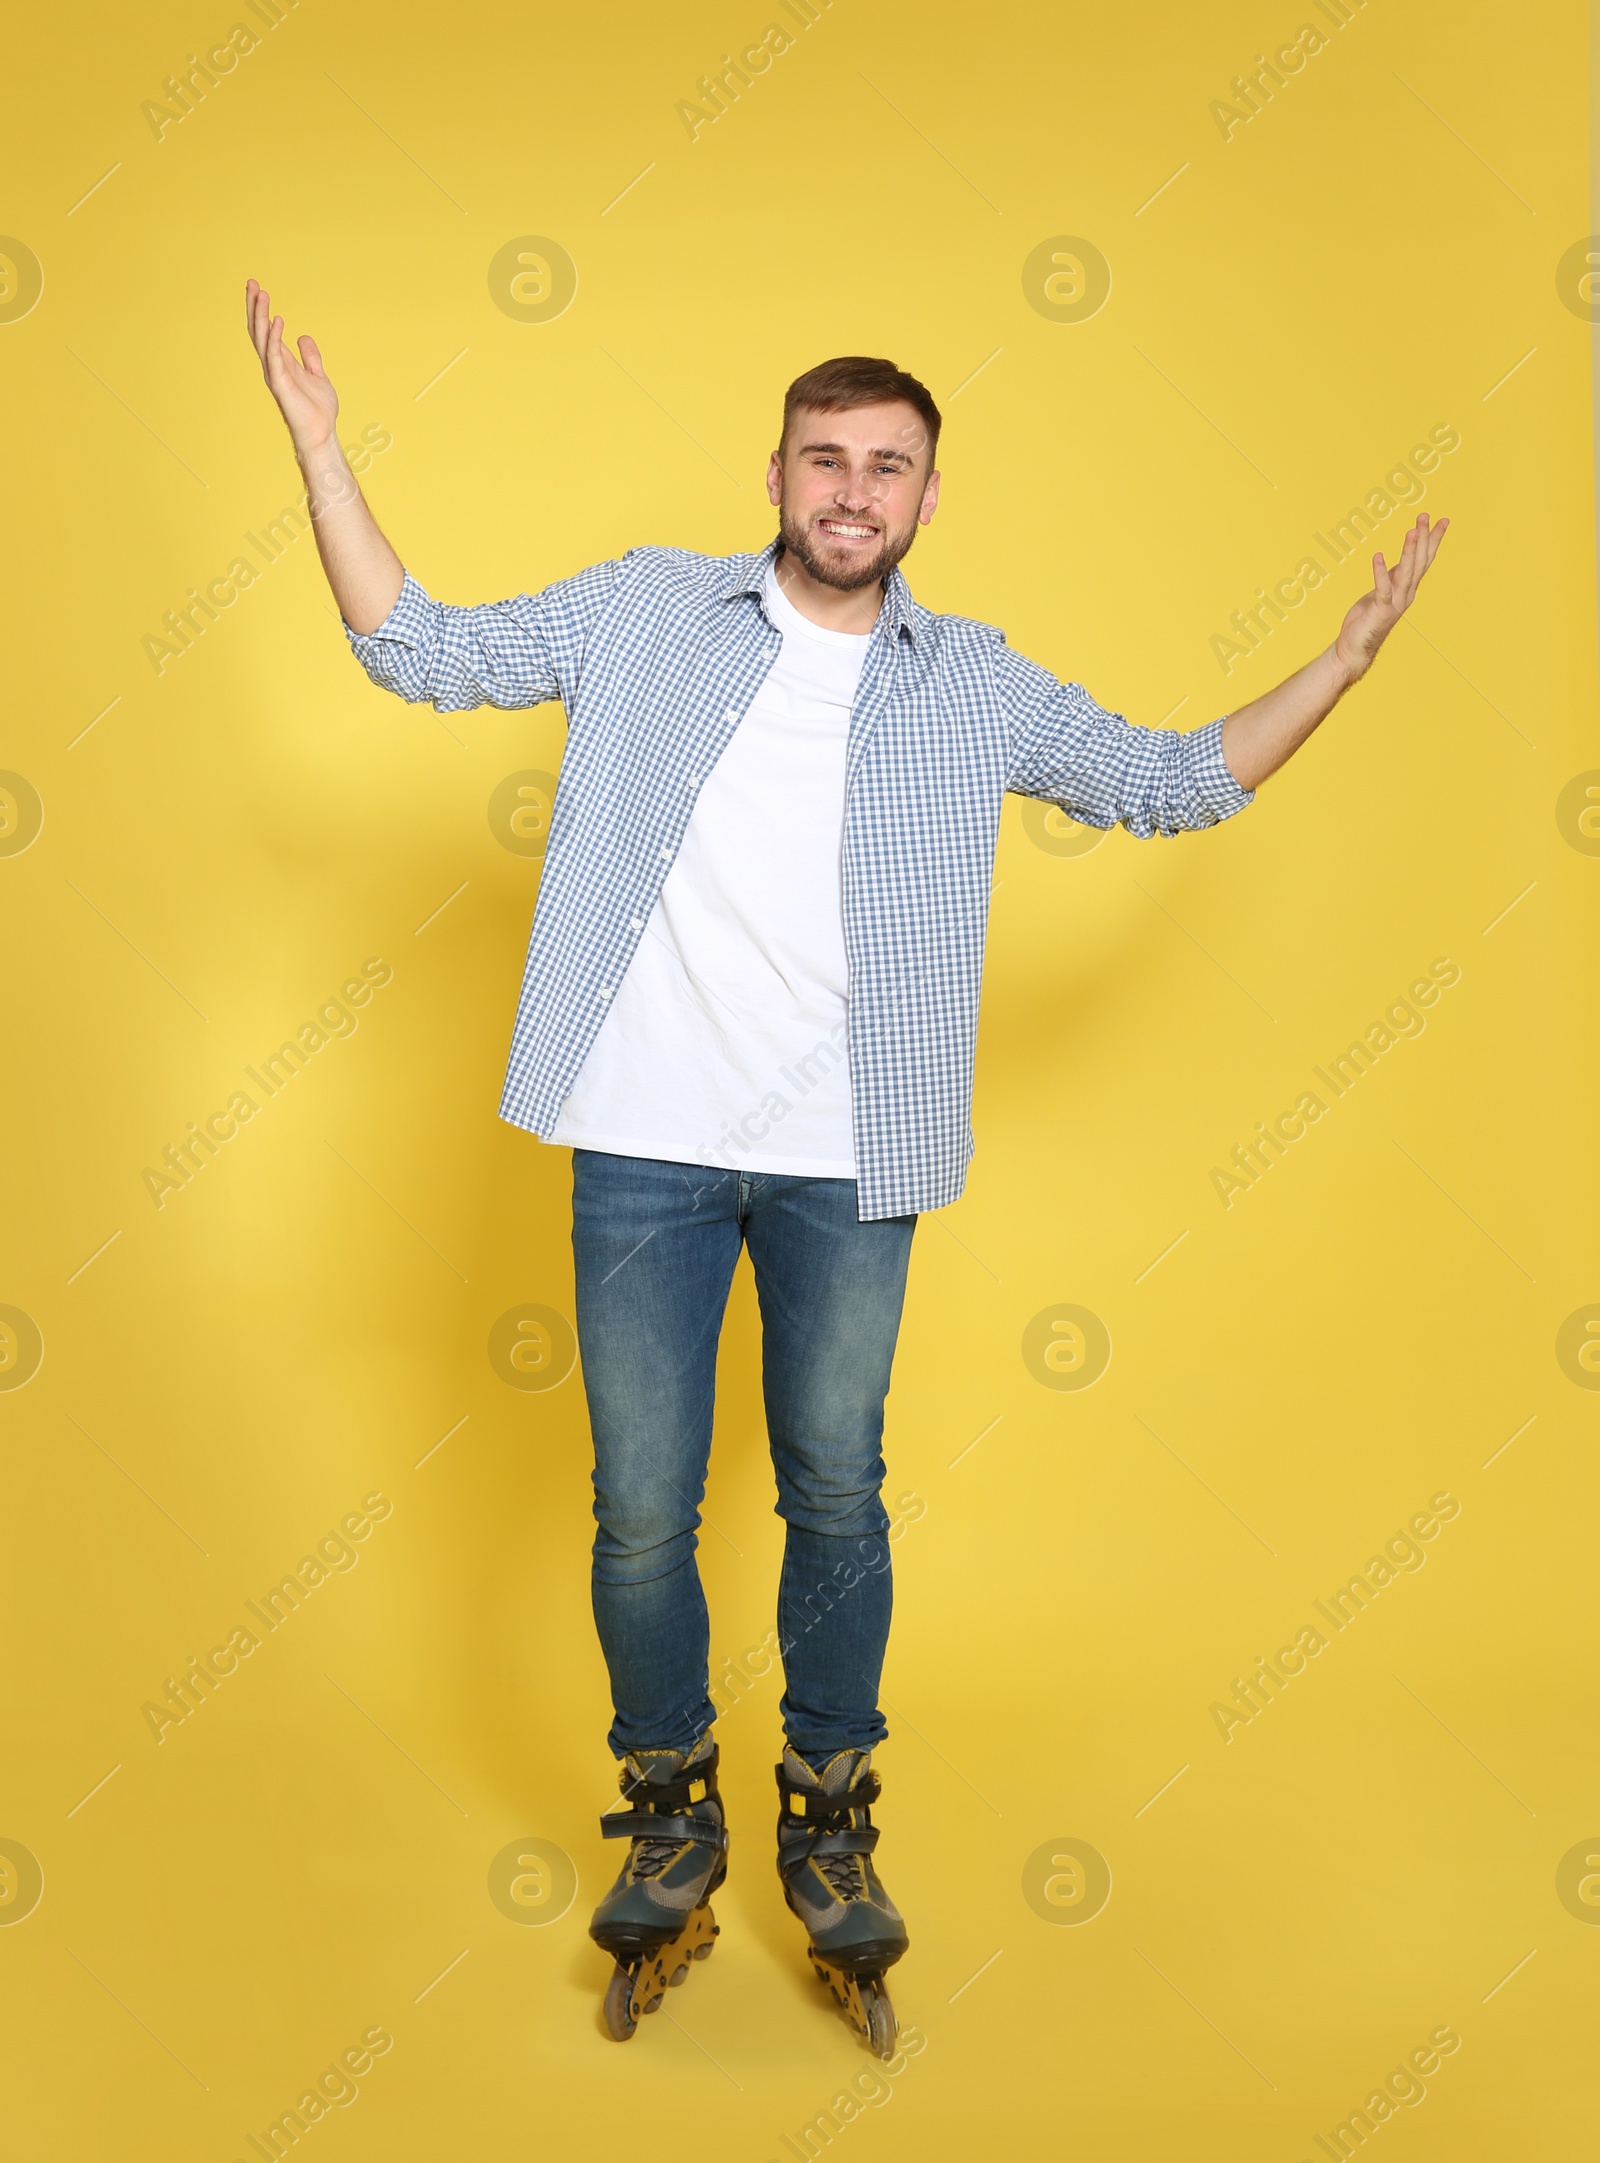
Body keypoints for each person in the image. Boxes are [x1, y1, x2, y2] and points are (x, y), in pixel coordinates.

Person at [243, 279, 1448, 2055]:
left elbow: (1172, 779)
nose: (856, 492)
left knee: (836, 1492)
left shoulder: (974, 686)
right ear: (783, 472)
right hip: (643, 1138)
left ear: (930, 499)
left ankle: (827, 1814)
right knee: (641, 1505)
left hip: (850, 1159)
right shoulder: (652, 607)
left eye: (891, 467)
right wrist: (325, 452)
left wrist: (1339, 664)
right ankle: (669, 1804)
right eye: (829, 458)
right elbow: (417, 649)